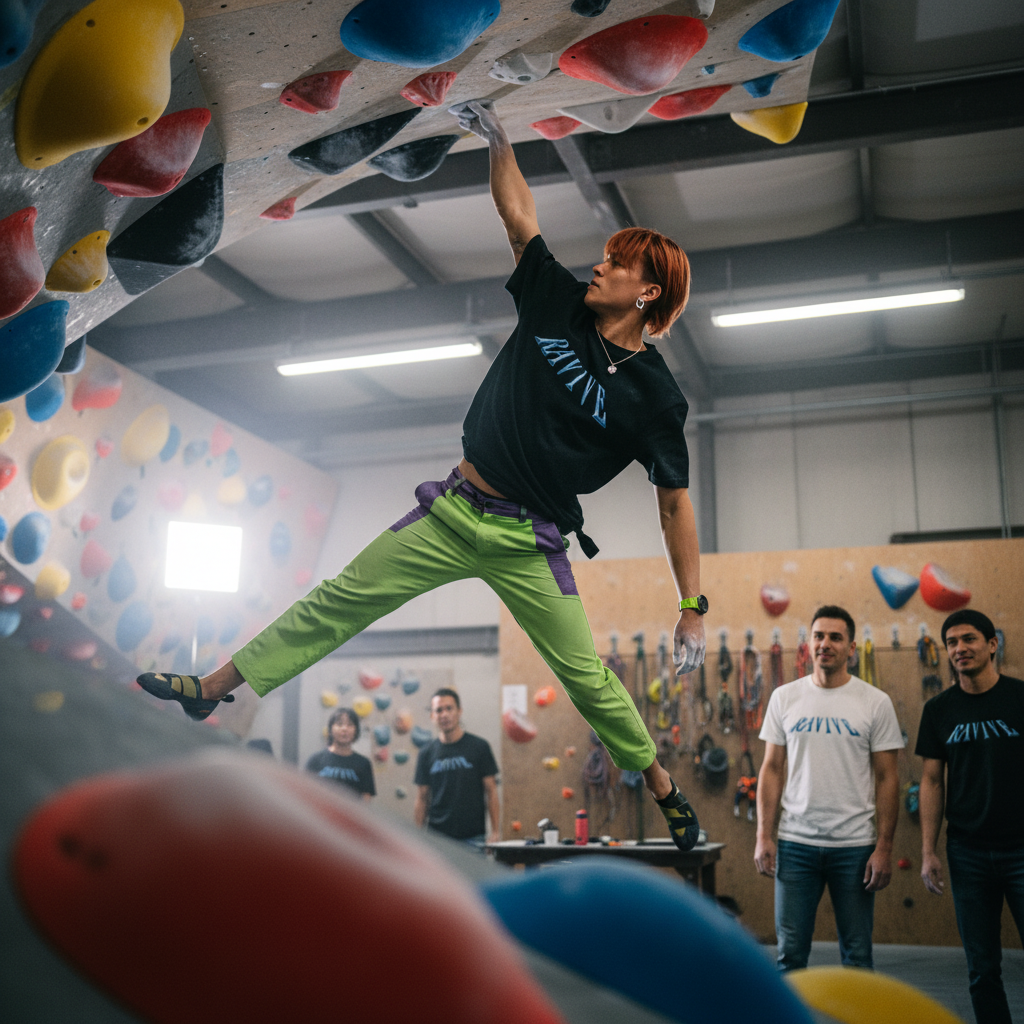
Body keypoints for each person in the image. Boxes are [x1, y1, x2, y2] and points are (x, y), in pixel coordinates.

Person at [136, 100, 706, 852]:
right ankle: (212, 689)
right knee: (340, 600)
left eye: (618, 261)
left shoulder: (657, 395)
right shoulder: (555, 302)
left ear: (648, 292)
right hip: (453, 510)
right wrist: (499, 133)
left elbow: (673, 504)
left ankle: (662, 786)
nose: (599, 263)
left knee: (588, 679)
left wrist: (691, 603)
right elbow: (518, 218)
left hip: (528, 542)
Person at [754, 605, 903, 972]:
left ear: (852, 647)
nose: (825, 644)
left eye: (835, 637)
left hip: (854, 847)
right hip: (796, 843)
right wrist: (763, 836)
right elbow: (771, 769)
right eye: (818, 636)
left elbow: (888, 779)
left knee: (857, 957)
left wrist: (884, 847)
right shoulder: (785, 698)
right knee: (790, 957)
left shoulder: (875, 703)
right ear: (809, 644)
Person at [916, 609, 1024, 1024]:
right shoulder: (939, 709)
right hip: (968, 853)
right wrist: (928, 851)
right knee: (982, 969)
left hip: (1021, 848)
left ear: (992, 644)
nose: (959, 648)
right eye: (952, 643)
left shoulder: (1018, 697)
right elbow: (932, 782)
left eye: (969, 639)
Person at [413, 688, 499, 846]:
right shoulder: (426, 753)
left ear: (459, 711)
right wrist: (418, 837)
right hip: (437, 838)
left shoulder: (479, 747)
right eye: (439, 710)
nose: (444, 714)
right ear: (432, 716)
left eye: (449, 708)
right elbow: (422, 798)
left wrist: (495, 832)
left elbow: (491, 790)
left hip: (474, 837)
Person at [304, 706, 375, 801]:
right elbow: (305, 794)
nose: (344, 729)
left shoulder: (364, 764)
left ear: (356, 731)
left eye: (350, 725)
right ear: (330, 729)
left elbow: (366, 800)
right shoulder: (315, 760)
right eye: (339, 724)